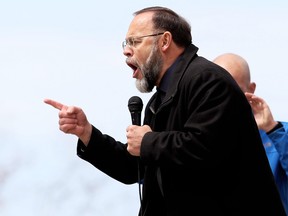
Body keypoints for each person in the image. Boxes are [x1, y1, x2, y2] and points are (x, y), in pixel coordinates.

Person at [44, 6, 286, 215]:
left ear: (164, 41)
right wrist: (86, 133)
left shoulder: (208, 80)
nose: (126, 51)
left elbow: (204, 149)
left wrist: (148, 141)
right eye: (126, 43)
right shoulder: (161, 99)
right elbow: (135, 168)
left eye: (135, 41)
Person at [213, 52, 288, 215]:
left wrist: (273, 131)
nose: (224, 98)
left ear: (251, 89)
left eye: (233, 89)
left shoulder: (281, 133)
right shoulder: (194, 136)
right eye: (216, 89)